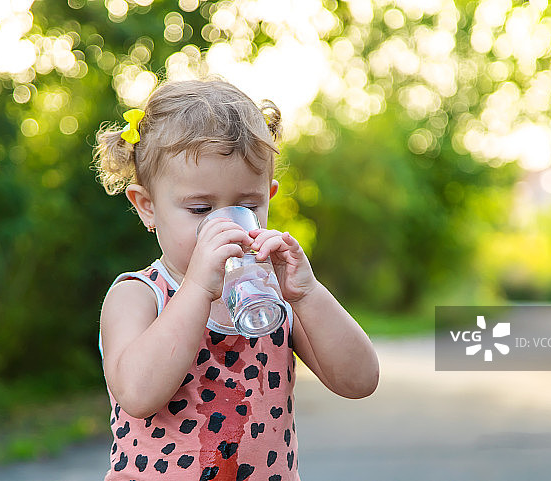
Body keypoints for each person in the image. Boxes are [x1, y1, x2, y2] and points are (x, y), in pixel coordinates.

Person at [93, 78, 379, 480]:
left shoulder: (272, 296)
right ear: (147, 207)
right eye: (199, 209)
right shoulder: (138, 296)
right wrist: (196, 288)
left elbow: (359, 380)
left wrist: (308, 294)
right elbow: (138, 394)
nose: (226, 225)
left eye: (247, 205)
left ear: (269, 196)